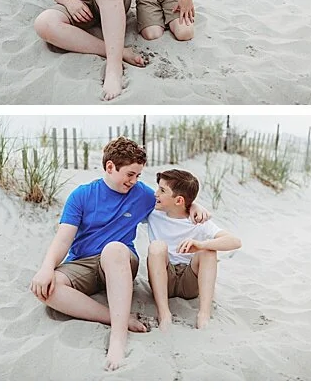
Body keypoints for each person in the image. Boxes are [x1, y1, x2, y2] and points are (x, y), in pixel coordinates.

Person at [28, 137, 209, 371]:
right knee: (47, 291)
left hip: (120, 260)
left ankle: (118, 338)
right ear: (110, 167)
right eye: (130, 174)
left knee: (113, 248)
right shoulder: (81, 195)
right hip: (82, 262)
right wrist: (46, 269)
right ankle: (117, 318)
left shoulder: (142, 195)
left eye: (138, 176)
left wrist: (195, 206)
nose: (134, 181)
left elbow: (173, 202)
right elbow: (63, 239)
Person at [144, 169, 241, 330]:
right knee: (156, 246)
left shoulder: (197, 220)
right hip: (163, 278)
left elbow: (235, 242)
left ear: (179, 200)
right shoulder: (153, 213)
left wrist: (201, 245)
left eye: (162, 190)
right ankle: (164, 313)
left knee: (208, 251)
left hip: (190, 281)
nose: (156, 194)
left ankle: (203, 314)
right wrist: (194, 203)